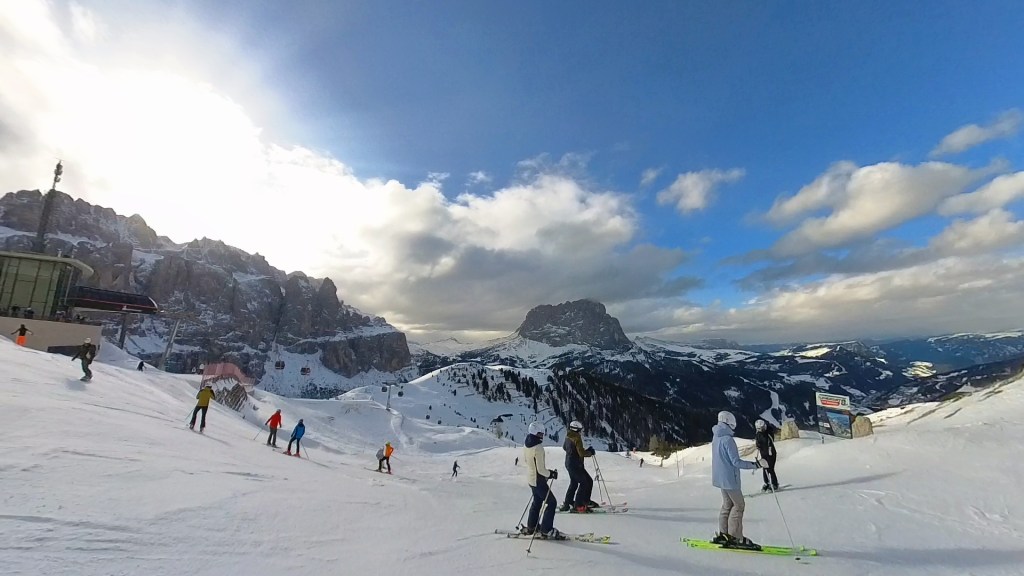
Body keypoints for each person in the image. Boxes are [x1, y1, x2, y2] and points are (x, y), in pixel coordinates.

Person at [711, 411, 767, 550]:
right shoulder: (728, 440)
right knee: (739, 505)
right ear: (729, 422)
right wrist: (757, 464)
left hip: (720, 478)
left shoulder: (716, 437)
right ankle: (736, 537)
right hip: (730, 478)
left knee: (727, 505)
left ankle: (724, 534)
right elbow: (736, 462)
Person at [522, 421, 561, 539]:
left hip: (531, 479)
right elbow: (541, 469)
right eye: (540, 434)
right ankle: (546, 529)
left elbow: (528, 462)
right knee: (552, 502)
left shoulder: (527, 444)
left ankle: (531, 526)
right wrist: (551, 474)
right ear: (535, 433)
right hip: (538, 480)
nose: (542, 436)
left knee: (537, 501)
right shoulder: (538, 448)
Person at [560, 420, 596, 513]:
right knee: (585, 482)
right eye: (580, 430)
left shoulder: (568, 436)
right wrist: (590, 452)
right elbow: (581, 453)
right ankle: (579, 504)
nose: (581, 431)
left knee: (575, 482)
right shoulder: (577, 438)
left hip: (569, 463)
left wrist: (573, 452)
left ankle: (568, 502)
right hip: (576, 464)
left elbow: (565, 447)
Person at [755, 419, 779, 492]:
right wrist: (758, 445)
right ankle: (767, 483)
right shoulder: (758, 433)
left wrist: (768, 449)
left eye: (763, 427)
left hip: (771, 454)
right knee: (765, 468)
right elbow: (758, 440)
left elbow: (770, 442)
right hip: (764, 454)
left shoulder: (768, 432)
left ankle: (775, 484)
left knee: (770, 468)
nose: (762, 429)